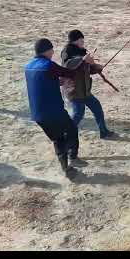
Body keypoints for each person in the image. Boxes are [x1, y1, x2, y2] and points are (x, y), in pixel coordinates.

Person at [25, 38, 95, 178]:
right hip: (54, 111)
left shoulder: (28, 66)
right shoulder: (48, 65)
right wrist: (84, 61)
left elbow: (40, 83)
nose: (53, 52)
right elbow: (71, 73)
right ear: (47, 50)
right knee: (71, 130)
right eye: (51, 50)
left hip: (37, 114)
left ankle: (66, 168)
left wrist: (57, 82)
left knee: (58, 139)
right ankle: (73, 158)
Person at [60, 30, 115, 139]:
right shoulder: (67, 51)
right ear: (77, 40)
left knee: (97, 108)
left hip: (85, 90)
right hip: (74, 91)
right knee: (78, 115)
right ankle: (65, 135)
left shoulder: (81, 52)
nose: (83, 42)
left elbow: (86, 69)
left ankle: (104, 132)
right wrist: (83, 59)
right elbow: (67, 65)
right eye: (81, 40)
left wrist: (96, 68)